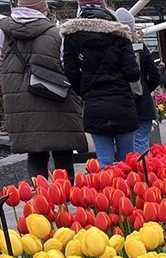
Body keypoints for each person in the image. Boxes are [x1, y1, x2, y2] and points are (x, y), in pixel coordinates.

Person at [0, 0, 87, 180]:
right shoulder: (56, 33)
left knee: (35, 153)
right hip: (56, 99)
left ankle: (42, 200)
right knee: (62, 149)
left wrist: (16, 84)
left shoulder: (3, 33)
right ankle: (65, 198)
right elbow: (67, 65)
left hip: (20, 104)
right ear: (44, 9)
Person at [62, 0, 140, 167]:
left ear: (80, 6)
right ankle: (130, 192)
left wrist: (85, 90)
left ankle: (107, 192)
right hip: (122, 104)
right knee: (129, 161)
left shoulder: (72, 35)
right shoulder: (120, 33)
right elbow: (132, 73)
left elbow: (70, 71)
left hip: (94, 104)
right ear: (104, 5)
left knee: (104, 161)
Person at [115, 8, 159, 154]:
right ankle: (141, 174)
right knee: (141, 145)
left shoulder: (111, 49)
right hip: (143, 105)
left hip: (120, 104)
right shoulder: (141, 47)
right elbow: (155, 76)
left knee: (123, 150)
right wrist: (144, 88)